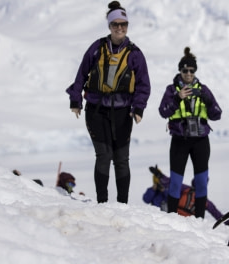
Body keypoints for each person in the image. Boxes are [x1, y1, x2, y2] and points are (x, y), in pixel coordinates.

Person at [66, 1, 151, 204]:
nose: (119, 28)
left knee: (121, 160)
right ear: (109, 26)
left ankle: (123, 204)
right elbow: (81, 75)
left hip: (123, 113)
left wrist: (138, 107)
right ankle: (102, 203)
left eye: (123, 24)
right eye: (115, 25)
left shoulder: (135, 54)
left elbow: (143, 84)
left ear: (127, 26)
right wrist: (75, 99)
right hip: (96, 111)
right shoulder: (96, 48)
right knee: (103, 156)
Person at [158, 47, 222, 218]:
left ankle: (199, 219)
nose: (188, 73)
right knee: (175, 183)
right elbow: (163, 112)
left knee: (201, 183)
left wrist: (207, 101)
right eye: (185, 70)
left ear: (195, 71)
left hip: (200, 141)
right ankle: (171, 218)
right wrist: (177, 99)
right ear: (180, 70)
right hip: (180, 140)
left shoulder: (204, 90)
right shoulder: (171, 90)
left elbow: (217, 114)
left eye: (191, 70)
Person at [143, 165, 224, 220]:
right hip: (187, 222)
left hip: (175, 217)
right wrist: (227, 222)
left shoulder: (187, 189)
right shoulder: (206, 202)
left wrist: (160, 175)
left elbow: (171, 182)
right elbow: (216, 213)